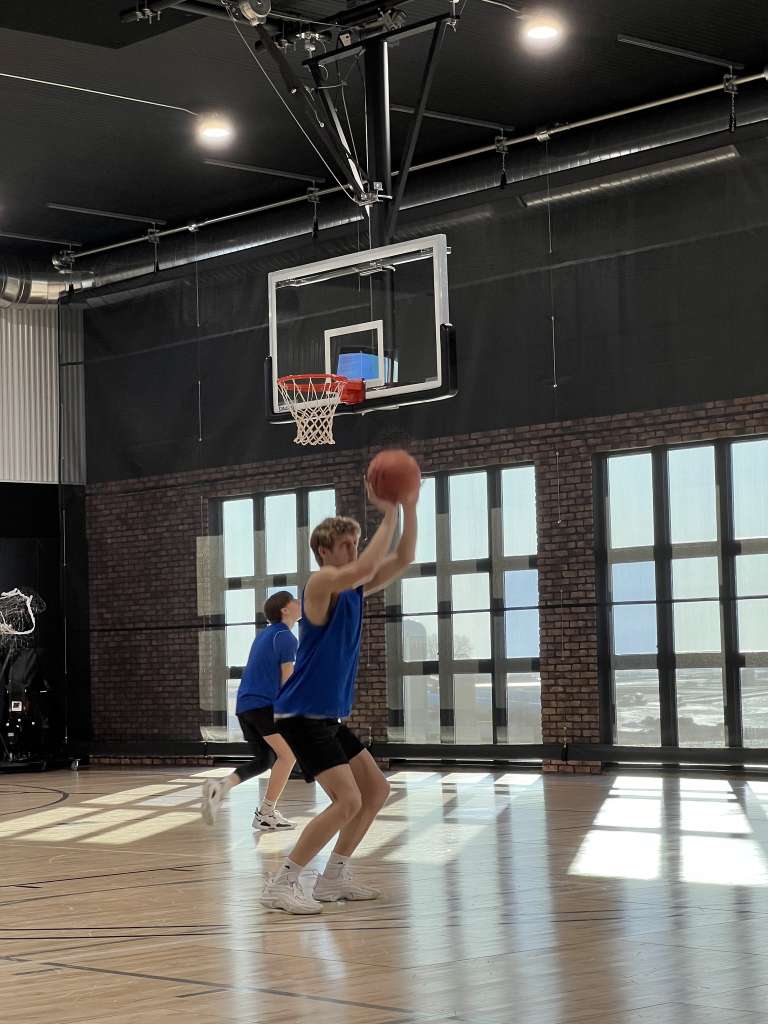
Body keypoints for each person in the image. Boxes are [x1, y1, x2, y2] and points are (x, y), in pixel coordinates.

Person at [260, 487, 418, 915]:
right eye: (346, 544)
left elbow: (403, 557)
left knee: (376, 790)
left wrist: (409, 506)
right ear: (324, 551)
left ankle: (333, 879)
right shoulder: (320, 584)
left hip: (325, 717)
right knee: (348, 800)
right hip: (299, 714)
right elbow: (366, 566)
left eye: (356, 543)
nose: (354, 550)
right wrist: (389, 511)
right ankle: (282, 882)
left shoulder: (353, 591)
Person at [201, 590, 300, 830]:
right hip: (262, 705)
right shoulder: (286, 637)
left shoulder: (265, 635)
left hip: (245, 706)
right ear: (285, 609)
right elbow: (287, 680)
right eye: (296, 601)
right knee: (288, 756)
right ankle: (266, 812)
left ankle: (221, 787)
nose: (301, 603)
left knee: (266, 759)